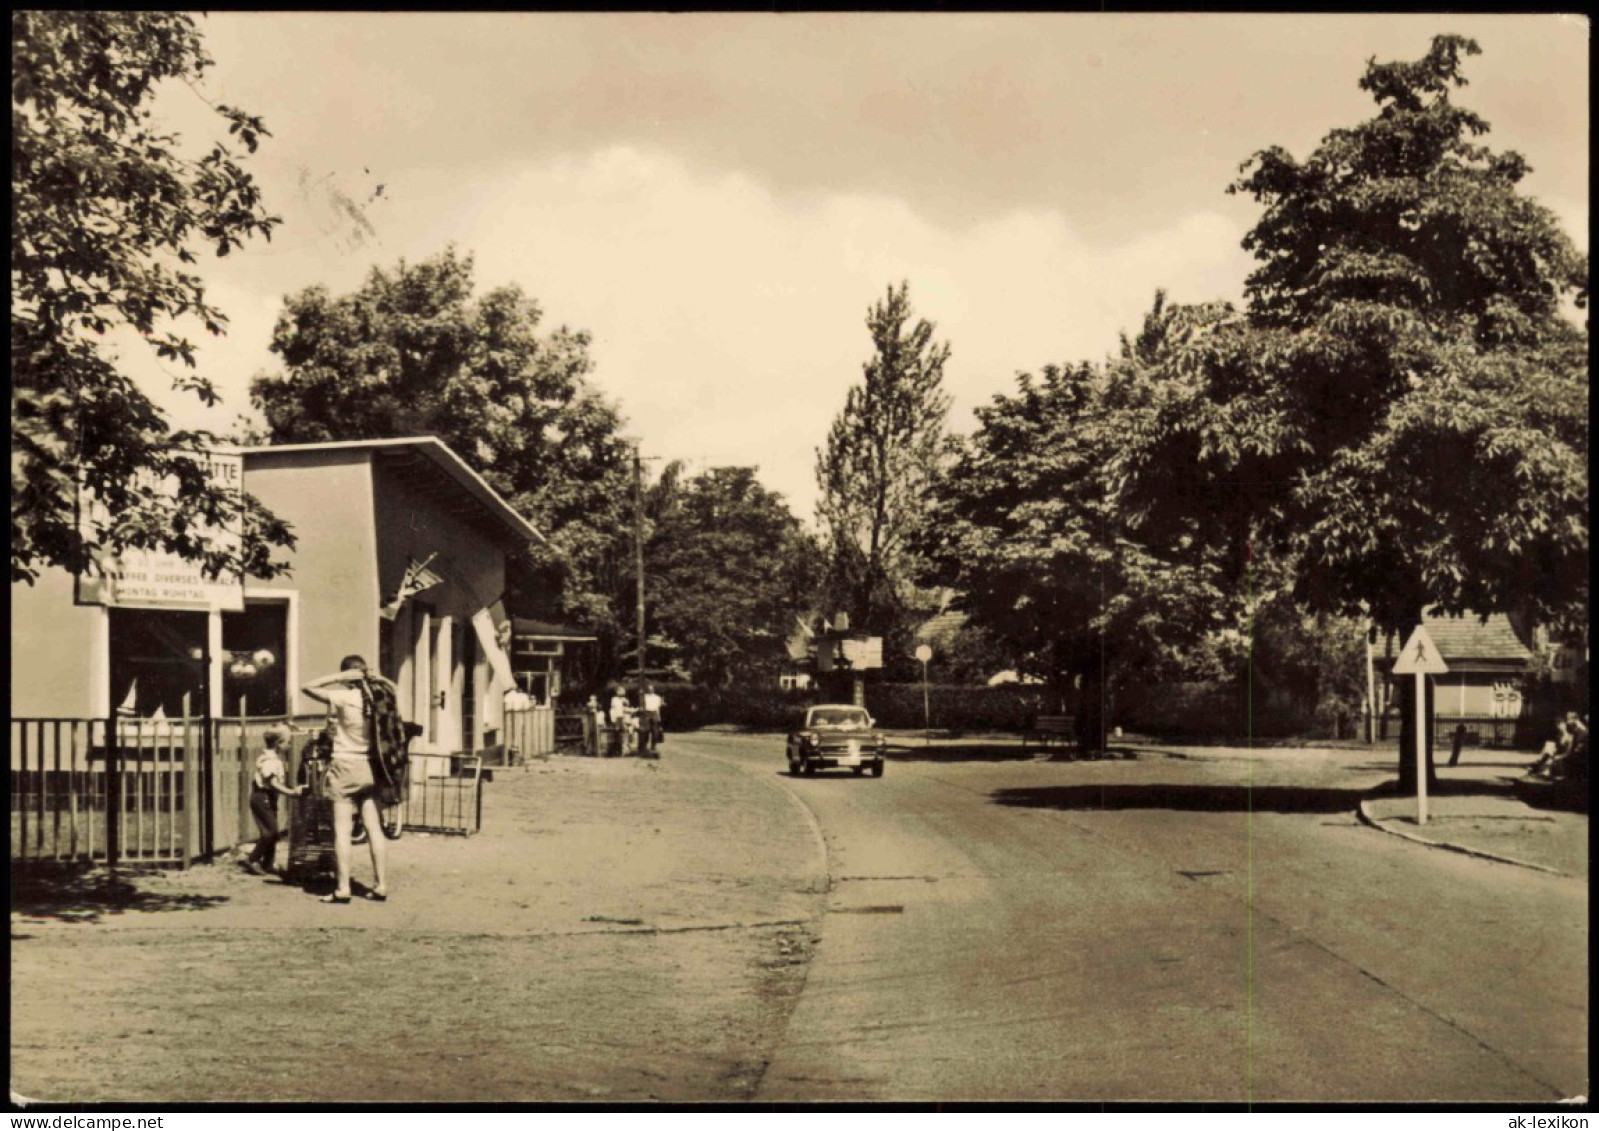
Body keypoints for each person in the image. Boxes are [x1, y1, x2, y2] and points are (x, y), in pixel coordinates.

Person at [302, 655, 397, 903]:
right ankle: (381, 885)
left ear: (347, 677)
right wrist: (379, 679)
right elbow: (394, 691)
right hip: (371, 766)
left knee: (342, 831)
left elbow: (307, 687)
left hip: (345, 765)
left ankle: (343, 888)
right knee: (374, 828)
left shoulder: (344, 697)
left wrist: (338, 678)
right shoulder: (380, 696)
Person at [244, 724, 305, 875]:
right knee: (270, 832)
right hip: (261, 797)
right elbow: (273, 783)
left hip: (269, 798)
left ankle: (268, 863)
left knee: (274, 833)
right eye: (288, 743)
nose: (290, 746)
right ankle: (252, 859)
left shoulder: (276, 759)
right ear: (279, 744)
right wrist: (291, 793)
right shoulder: (270, 761)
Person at [641, 683, 665, 753]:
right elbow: (643, 706)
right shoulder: (645, 697)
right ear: (647, 690)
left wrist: (659, 717)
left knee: (655, 731)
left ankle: (653, 746)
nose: (650, 690)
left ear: (653, 689)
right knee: (646, 730)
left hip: (654, 713)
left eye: (651, 689)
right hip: (647, 713)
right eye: (649, 689)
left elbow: (658, 708)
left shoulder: (657, 697)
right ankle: (644, 746)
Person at [607, 686, 630, 757]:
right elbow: (612, 709)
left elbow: (627, 706)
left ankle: (624, 750)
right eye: (619, 692)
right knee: (616, 733)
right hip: (616, 717)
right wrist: (613, 718)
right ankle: (616, 750)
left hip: (623, 717)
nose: (621, 694)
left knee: (624, 732)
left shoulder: (624, 699)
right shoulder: (614, 699)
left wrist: (625, 702)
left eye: (622, 693)